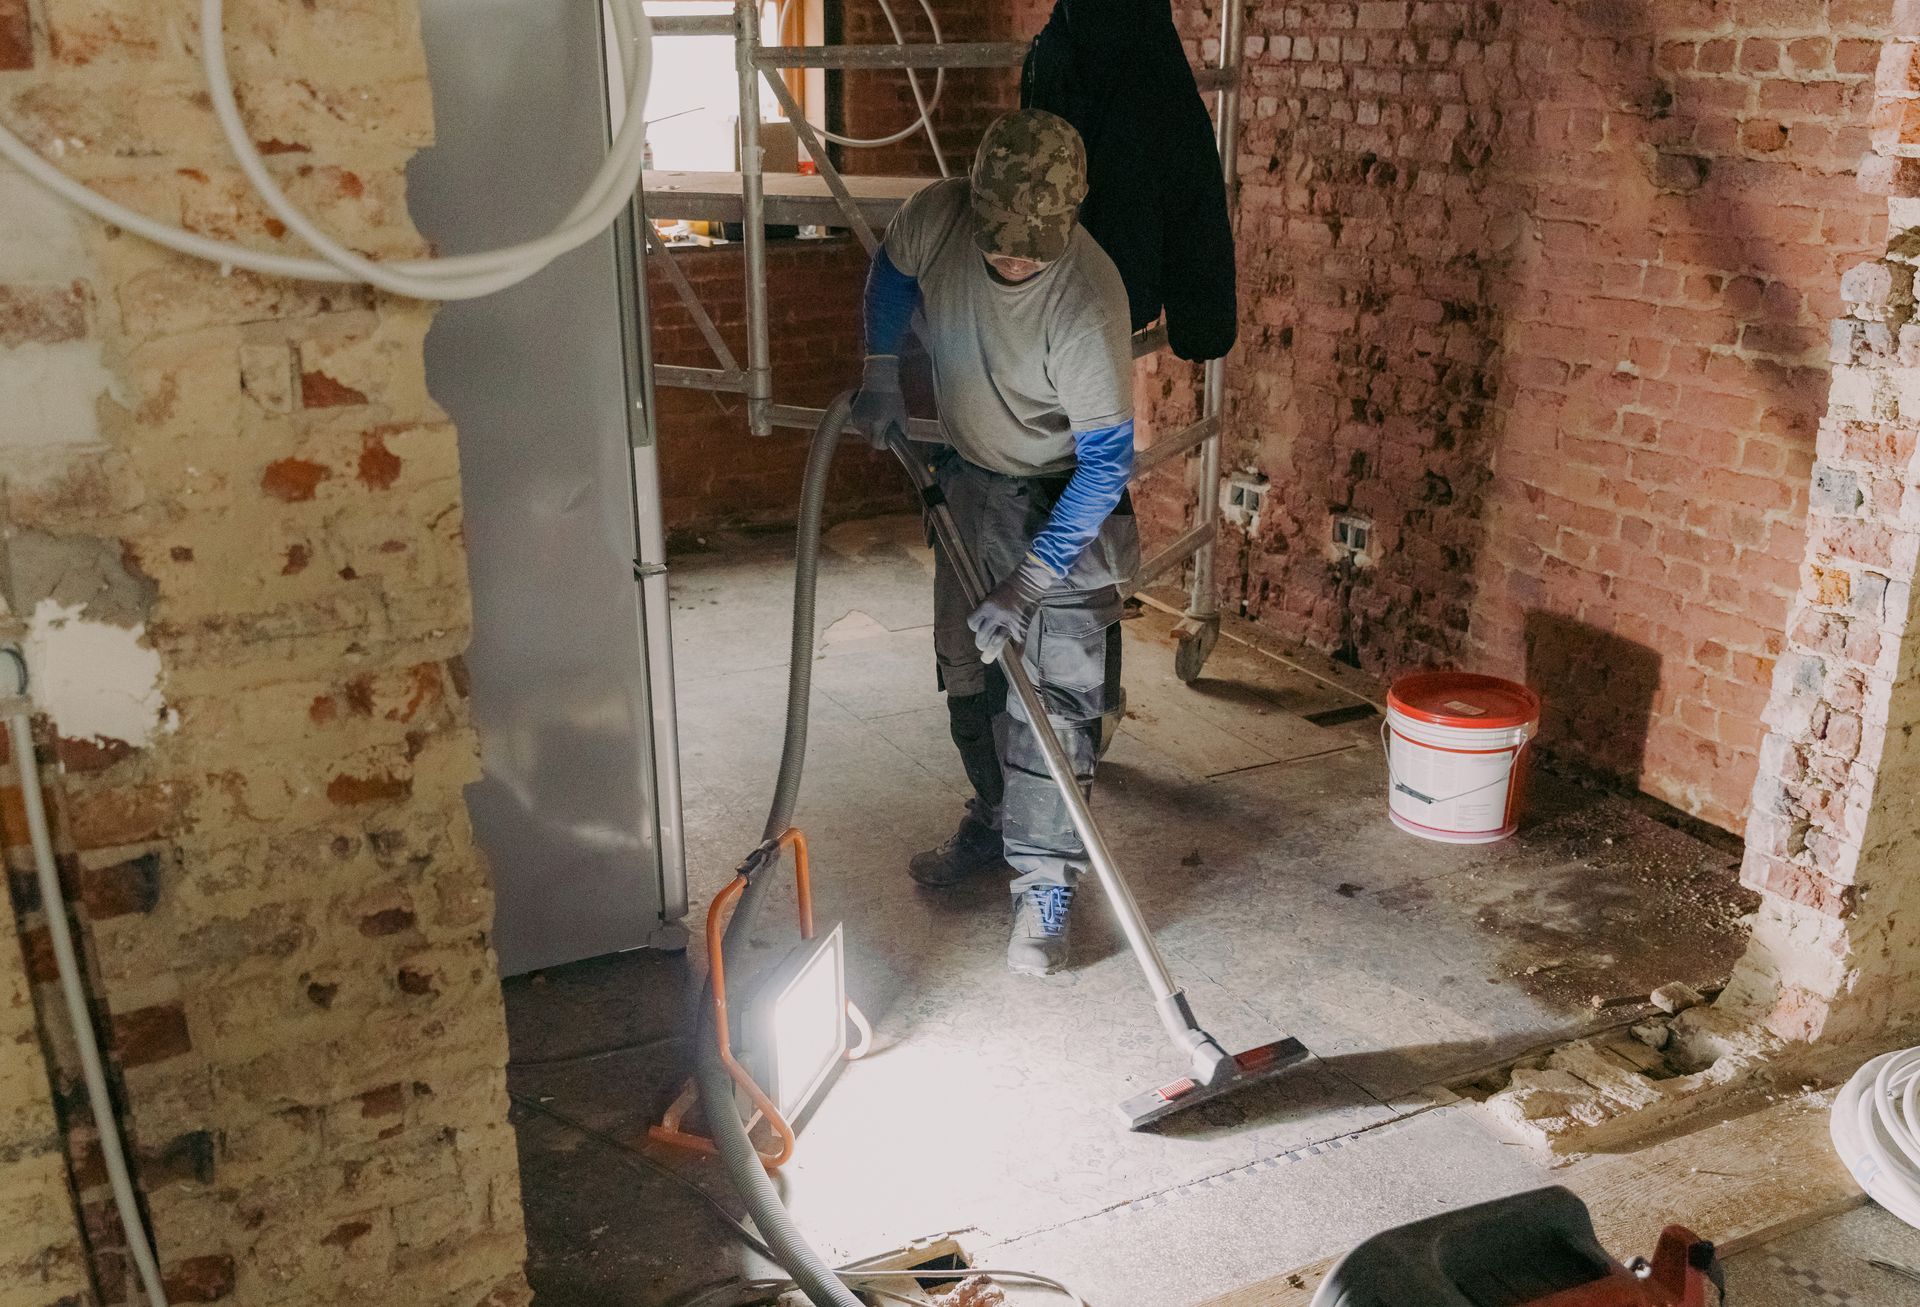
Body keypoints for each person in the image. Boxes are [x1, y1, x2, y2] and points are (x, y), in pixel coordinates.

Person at [849, 108, 1137, 976]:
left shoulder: (1087, 301)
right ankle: (994, 812)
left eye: (1031, 247)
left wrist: (1030, 583)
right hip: (970, 481)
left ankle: (1047, 882)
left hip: (1063, 499)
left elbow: (1105, 465)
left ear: (1069, 222)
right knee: (966, 671)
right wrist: (879, 366)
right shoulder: (939, 216)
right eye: (999, 239)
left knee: (1052, 702)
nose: (1012, 258)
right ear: (974, 204)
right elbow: (891, 277)